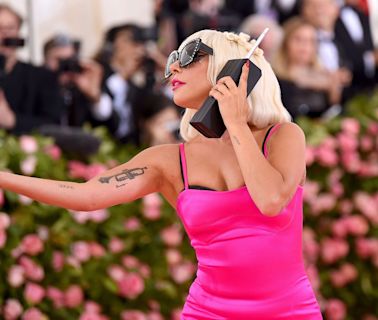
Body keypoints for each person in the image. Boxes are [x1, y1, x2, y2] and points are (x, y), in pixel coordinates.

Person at [0, 29, 323, 319]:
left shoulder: (283, 136)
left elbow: (270, 200)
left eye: (189, 56)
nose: (174, 69)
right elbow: (86, 196)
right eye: (172, 59)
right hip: (208, 312)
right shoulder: (169, 160)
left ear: (231, 69)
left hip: (289, 311)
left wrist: (235, 122)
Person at [0, 4, 62, 134]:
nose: (4, 34)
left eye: (10, 28)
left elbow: (53, 122)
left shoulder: (42, 77)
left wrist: (13, 121)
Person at [272, 16, 349, 119]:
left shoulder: (325, 77)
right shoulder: (275, 78)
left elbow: (334, 112)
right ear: (286, 43)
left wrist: (333, 90)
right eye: (298, 39)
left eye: (310, 41)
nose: (304, 46)